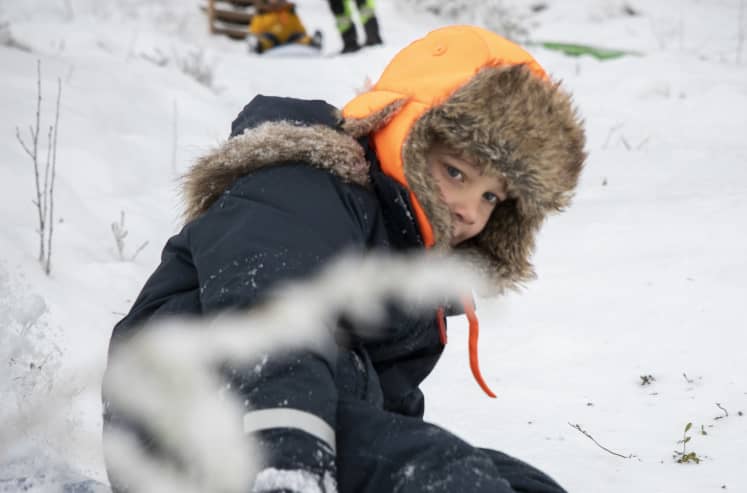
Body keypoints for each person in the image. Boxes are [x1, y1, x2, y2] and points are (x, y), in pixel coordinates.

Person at [103, 25, 586, 493]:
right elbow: (268, 320)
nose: (469, 210)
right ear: (406, 131)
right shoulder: (303, 185)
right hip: (190, 415)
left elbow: (385, 418)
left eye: (491, 199)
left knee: (514, 480)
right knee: (439, 469)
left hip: (302, 425)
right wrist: (289, 467)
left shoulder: (408, 267)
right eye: (456, 172)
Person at [247, 0, 322, 54]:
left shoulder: (289, 11)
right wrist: (256, 36)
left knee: (300, 37)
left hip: (290, 38)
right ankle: (258, 45)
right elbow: (255, 30)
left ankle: (313, 42)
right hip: (272, 38)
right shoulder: (263, 14)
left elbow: (300, 28)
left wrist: (301, 33)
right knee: (266, 40)